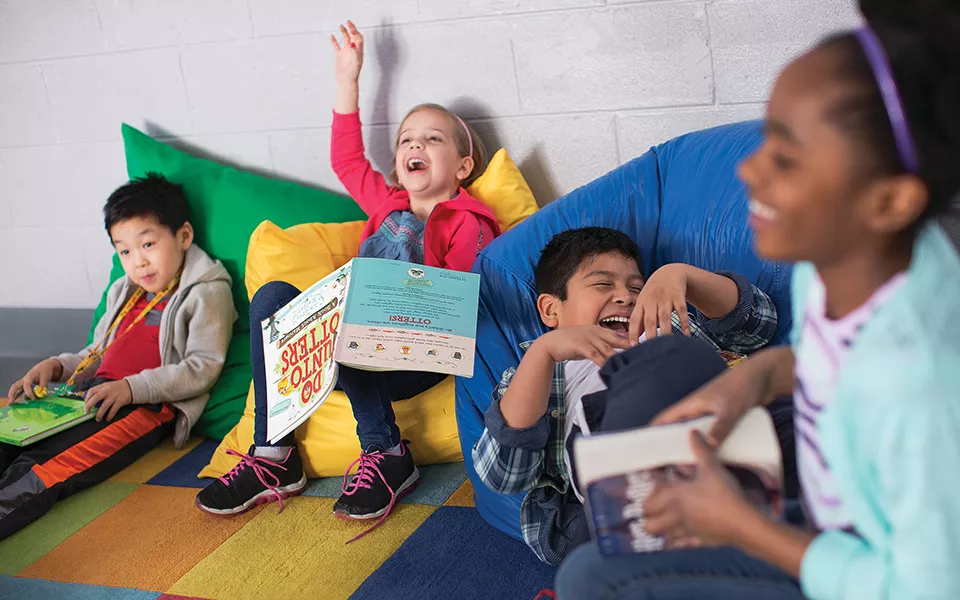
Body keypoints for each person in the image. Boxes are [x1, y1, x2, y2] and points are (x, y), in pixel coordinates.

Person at [556, 3, 960, 598]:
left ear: (888, 202)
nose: (749, 169)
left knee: (597, 580)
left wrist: (741, 527)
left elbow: (924, 587)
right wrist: (758, 377)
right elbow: (826, 355)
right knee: (587, 570)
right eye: (765, 138)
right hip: (837, 519)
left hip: (879, 573)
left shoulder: (916, 382)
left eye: (786, 158)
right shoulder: (838, 265)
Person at [195, 21, 500, 537]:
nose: (414, 145)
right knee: (273, 297)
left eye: (432, 138)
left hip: (416, 352)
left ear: (464, 164)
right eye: (406, 139)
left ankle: (387, 451)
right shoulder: (387, 204)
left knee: (354, 319)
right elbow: (346, 158)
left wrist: (385, 304)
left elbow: (464, 302)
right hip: (346, 343)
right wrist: (349, 79)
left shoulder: (470, 220)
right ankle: (274, 454)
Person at [472, 227, 780, 565]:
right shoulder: (538, 373)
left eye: (637, 287)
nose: (627, 296)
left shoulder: (668, 325)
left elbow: (758, 326)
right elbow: (504, 475)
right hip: (625, 469)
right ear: (551, 310)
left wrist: (681, 276)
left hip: (725, 428)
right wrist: (543, 353)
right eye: (603, 284)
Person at [2, 173, 235, 540]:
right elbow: (97, 352)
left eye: (148, 244)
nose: (138, 262)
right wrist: (59, 365)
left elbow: (202, 368)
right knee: (10, 440)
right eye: (125, 251)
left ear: (184, 236)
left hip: (141, 408)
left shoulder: (207, 293)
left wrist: (130, 389)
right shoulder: (123, 291)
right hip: (88, 394)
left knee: (46, 468)